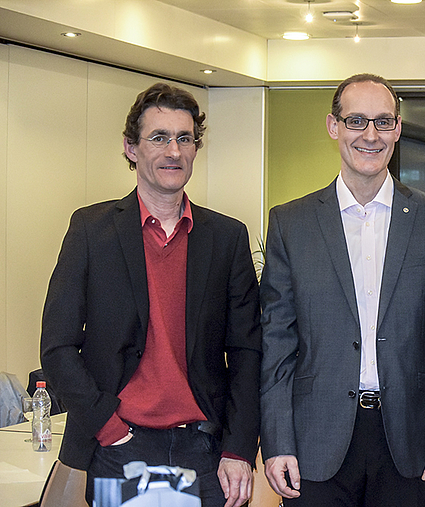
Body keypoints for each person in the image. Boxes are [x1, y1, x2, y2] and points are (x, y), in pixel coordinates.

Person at [259, 73, 425, 506]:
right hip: (314, 442)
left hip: (411, 444)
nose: (370, 135)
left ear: (397, 128)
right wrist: (278, 439)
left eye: (383, 121)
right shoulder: (291, 223)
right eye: (356, 121)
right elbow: (276, 342)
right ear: (333, 126)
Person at [40, 83, 261, 507]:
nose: (173, 151)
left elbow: (247, 351)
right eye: (158, 138)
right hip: (119, 447)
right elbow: (58, 345)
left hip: (205, 449)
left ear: (196, 148)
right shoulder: (90, 231)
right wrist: (105, 423)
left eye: (184, 138)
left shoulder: (227, 237)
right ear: (130, 148)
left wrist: (237, 448)